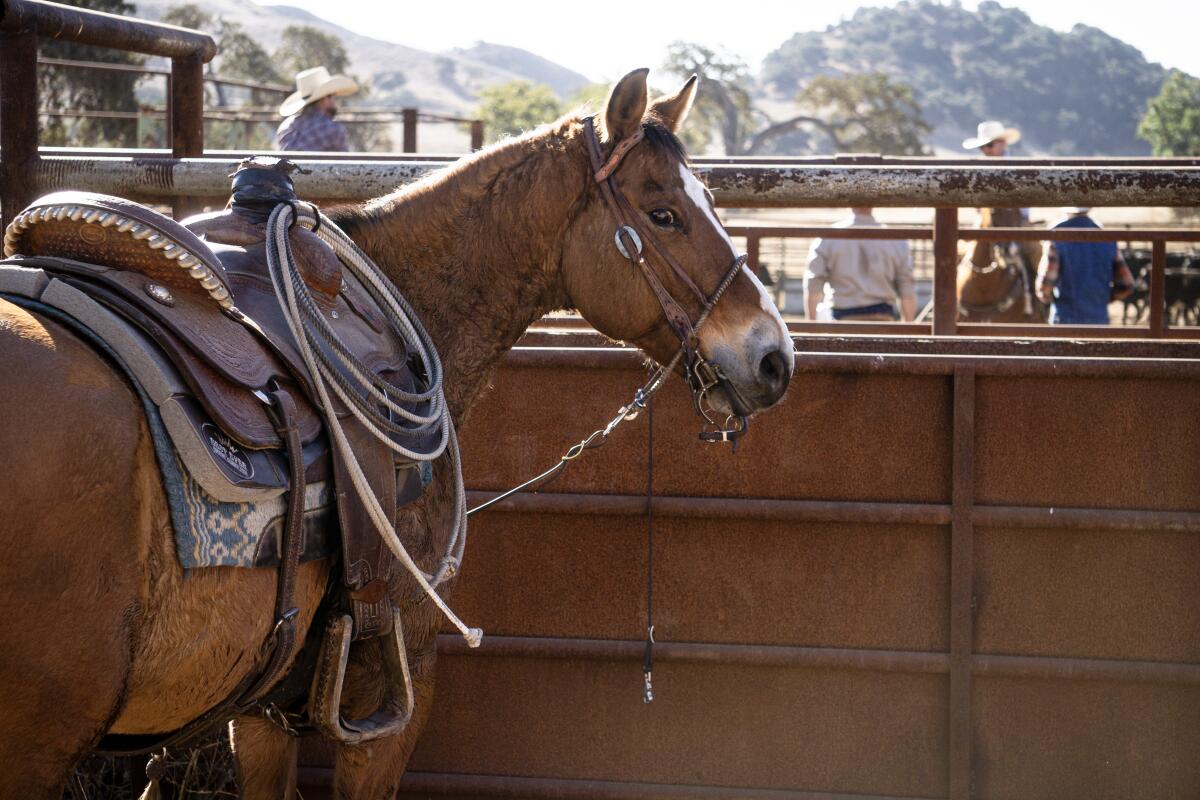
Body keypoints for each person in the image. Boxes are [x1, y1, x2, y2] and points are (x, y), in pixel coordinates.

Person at [963, 119, 1044, 315]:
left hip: (1016, 219)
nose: (986, 150)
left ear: (1002, 143)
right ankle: (954, 294)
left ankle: (1042, 296)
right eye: (983, 147)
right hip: (986, 217)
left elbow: (1026, 200)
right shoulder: (980, 168)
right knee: (964, 251)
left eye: (989, 145)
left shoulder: (1018, 166)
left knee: (1036, 251)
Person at [804, 207, 916, 321]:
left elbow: (814, 284)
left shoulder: (827, 239)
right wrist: (908, 327)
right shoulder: (896, 241)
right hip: (883, 316)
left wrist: (811, 323)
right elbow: (906, 288)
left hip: (842, 316)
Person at [1035, 207, 1134, 325]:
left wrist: (1047, 298)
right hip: (1099, 320)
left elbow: (1044, 286)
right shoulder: (1107, 238)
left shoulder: (1056, 237)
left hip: (1065, 319)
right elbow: (1127, 285)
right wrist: (1102, 300)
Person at [274, 66, 358, 152]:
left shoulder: (285, 127)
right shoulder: (333, 129)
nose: (334, 100)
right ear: (323, 99)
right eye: (331, 95)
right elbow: (345, 162)